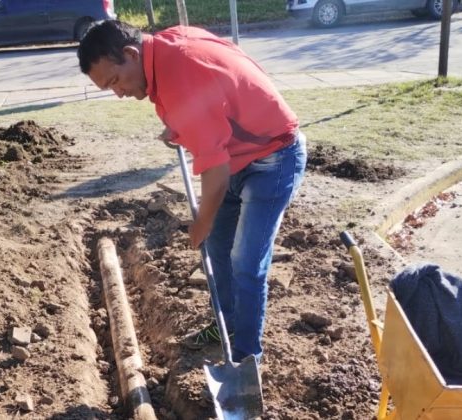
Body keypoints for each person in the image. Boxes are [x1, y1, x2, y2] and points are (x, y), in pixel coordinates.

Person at [77, 20, 306, 363]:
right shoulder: (166, 47)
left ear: (130, 53)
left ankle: (246, 358)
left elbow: (215, 171)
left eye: (115, 81)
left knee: (245, 261)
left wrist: (200, 222)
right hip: (236, 154)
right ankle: (225, 324)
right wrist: (183, 124)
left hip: (272, 158)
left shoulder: (180, 73)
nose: (119, 93)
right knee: (216, 248)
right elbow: (217, 89)